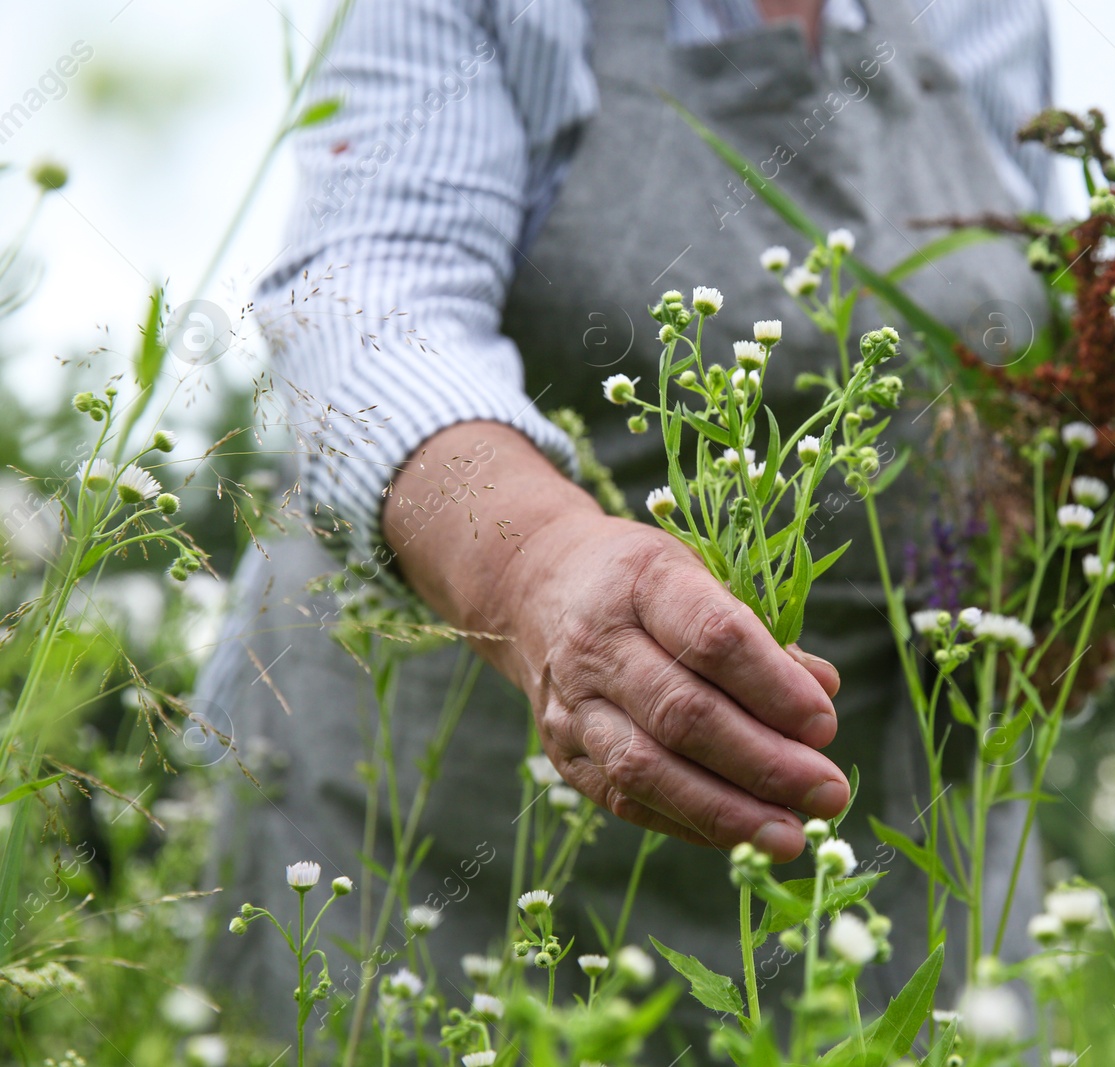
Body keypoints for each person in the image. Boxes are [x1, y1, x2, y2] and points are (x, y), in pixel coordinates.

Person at [198, 0, 1056, 1048]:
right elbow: (365, 301)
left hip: (875, 857)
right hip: (448, 847)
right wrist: (540, 567)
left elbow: (1027, 343)